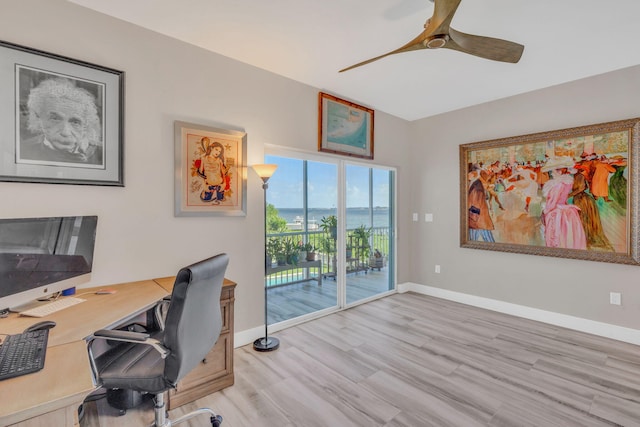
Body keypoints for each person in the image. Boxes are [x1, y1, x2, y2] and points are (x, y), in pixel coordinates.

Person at [21, 78, 103, 165]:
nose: (65, 132)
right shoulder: (23, 149)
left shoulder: (103, 154)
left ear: (85, 125)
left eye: (75, 122)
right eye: (55, 119)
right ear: (39, 118)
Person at [540, 157, 586, 249]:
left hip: (557, 213)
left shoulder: (558, 184)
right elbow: (563, 199)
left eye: (554, 171)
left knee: (558, 235)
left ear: (560, 171)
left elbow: (552, 202)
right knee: (567, 236)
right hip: (566, 211)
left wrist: (545, 211)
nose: (552, 173)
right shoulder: (567, 182)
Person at [196, 137, 229, 203]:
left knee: (220, 201)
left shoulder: (219, 160)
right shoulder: (204, 158)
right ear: (211, 148)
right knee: (206, 200)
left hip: (219, 186)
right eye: (216, 149)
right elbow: (201, 173)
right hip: (209, 186)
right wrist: (204, 185)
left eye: (219, 151)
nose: (218, 152)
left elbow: (223, 174)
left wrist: (224, 184)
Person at [468, 170, 495, 242]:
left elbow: (475, 203)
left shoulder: (478, 186)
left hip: (477, 219)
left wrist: (473, 217)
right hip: (478, 219)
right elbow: (475, 203)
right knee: (487, 240)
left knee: (473, 241)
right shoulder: (478, 187)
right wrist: (474, 217)